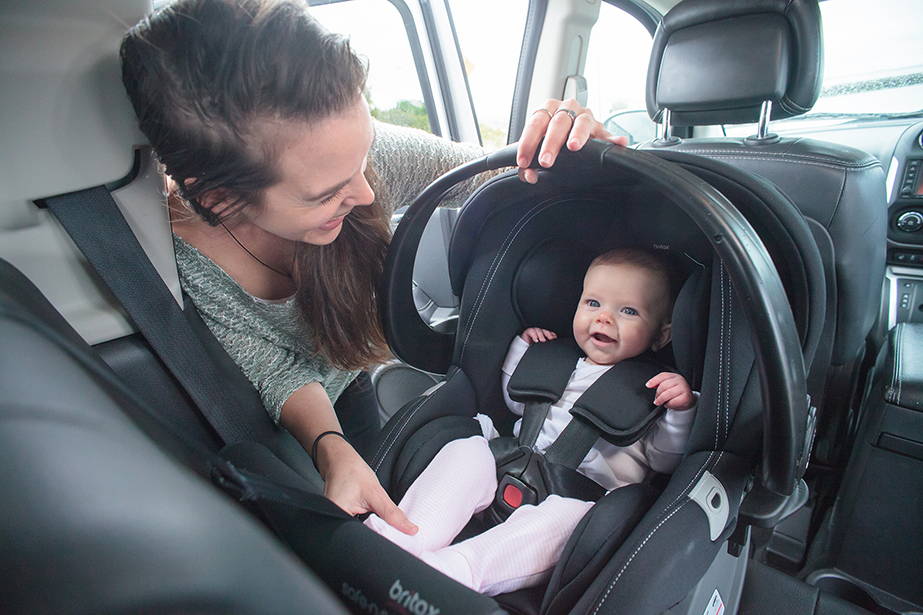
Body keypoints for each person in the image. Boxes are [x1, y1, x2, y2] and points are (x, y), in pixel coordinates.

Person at [119, 0, 627, 537]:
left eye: (361, 164)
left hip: (348, 377)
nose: (364, 194)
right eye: (326, 194)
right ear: (220, 200)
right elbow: (275, 370)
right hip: (286, 415)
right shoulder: (181, 262)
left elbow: (490, 179)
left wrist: (570, 158)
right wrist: (331, 449)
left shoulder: (346, 151)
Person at [364, 248, 696, 596]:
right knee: (466, 450)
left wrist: (681, 409)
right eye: (593, 303)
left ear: (661, 335)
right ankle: (405, 536)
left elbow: (665, 459)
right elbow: (515, 401)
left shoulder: (657, 387)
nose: (603, 319)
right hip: (508, 464)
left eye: (628, 311)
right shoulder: (556, 357)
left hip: (578, 496)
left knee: (564, 522)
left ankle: (458, 570)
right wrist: (522, 351)